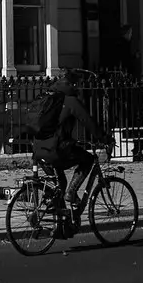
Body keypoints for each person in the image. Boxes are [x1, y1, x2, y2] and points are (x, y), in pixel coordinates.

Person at [32, 69, 110, 235]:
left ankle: (61, 226)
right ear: (73, 84)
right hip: (56, 150)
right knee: (87, 159)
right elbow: (88, 122)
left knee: (59, 185)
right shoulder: (70, 100)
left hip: (39, 150)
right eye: (79, 84)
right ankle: (72, 194)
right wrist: (104, 138)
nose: (80, 87)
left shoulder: (49, 96)